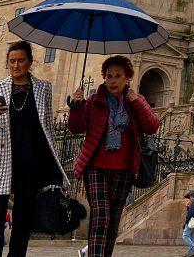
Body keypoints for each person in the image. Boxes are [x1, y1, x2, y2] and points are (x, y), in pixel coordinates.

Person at [0, 40, 66, 257]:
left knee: (23, 219)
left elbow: (48, 128)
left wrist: (52, 164)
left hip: (31, 163)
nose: (16, 65)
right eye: (12, 61)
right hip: (1, 160)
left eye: (20, 61)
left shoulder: (43, 88)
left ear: (30, 62)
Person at [67, 54, 160, 257]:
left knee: (113, 221)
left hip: (124, 170)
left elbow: (152, 126)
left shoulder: (135, 101)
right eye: (109, 76)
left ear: (128, 77)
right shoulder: (94, 101)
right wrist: (76, 106)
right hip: (95, 168)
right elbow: (76, 127)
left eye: (118, 76)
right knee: (101, 216)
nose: (113, 80)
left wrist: (136, 102)